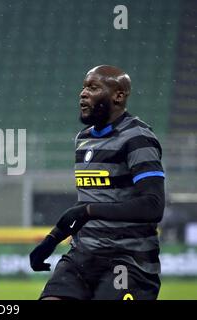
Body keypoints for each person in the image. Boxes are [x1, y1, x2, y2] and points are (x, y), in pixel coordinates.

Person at [30, 65, 165, 300]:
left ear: (118, 96)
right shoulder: (83, 139)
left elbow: (153, 206)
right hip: (82, 256)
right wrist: (50, 241)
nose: (83, 93)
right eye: (83, 87)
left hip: (128, 260)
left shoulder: (138, 138)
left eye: (93, 87)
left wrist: (90, 211)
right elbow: (86, 206)